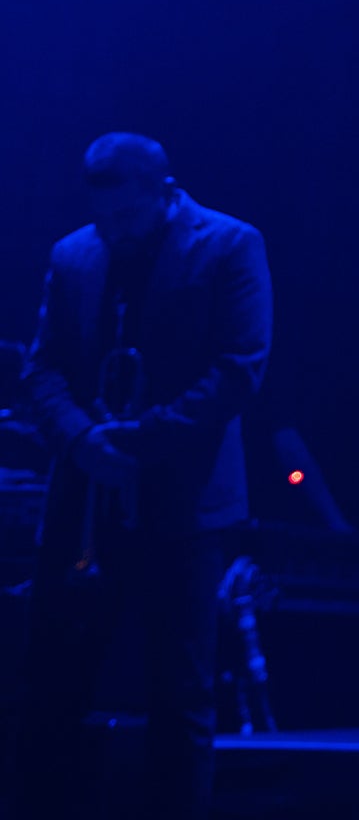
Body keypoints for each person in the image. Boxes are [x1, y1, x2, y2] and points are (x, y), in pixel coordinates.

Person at [16, 133, 273, 820]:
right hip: (86, 503)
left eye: (128, 220)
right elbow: (40, 368)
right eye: (105, 221)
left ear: (165, 191)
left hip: (182, 511)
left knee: (180, 701)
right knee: (49, 692)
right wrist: (81, 441)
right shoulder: (75, 254)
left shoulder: (229, 244)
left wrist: (132, 440)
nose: (115, 235)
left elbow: (239, 367)